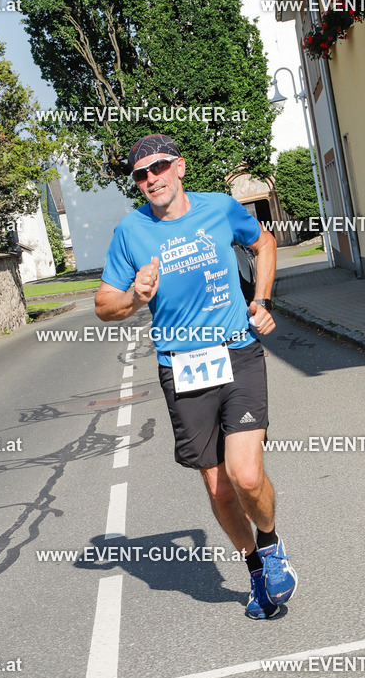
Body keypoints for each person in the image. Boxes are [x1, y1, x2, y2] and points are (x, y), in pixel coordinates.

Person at [94, 133, 297, 619]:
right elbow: (104, 304)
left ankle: (270, 547)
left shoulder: (220, 208)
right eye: (140, 174)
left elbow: (264, 242)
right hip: (181, 368)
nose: (151, 179)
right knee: (219, 489)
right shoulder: (130, 232)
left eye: (159, 167)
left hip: (237, 353)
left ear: (179, 167)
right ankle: (254, 569)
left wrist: (263, 300)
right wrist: (135, 297)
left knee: (246, 475)